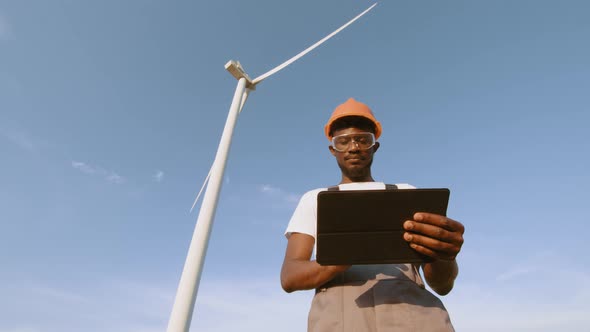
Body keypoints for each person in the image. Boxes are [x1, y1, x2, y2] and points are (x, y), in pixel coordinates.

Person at [280, 98, 465, 331]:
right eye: (343, 141)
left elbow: (442, 285)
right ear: (332, 150)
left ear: (374, 146)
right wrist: (345, 256)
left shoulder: (407, 193)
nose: (354, 147)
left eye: (363, 140)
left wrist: (445, 255)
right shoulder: (314, 198)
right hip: (340, 318)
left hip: (413, 313)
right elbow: (290, 276)